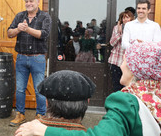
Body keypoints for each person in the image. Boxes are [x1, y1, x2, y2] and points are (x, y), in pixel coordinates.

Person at [14, 41, 161, 136]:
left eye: (125, 60)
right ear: (87, 101)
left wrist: (44, 130)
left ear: (136, 68)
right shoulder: (155, 97)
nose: (121, 65)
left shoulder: (128, 102)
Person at [7, 0, 51, 127]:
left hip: (37, 58)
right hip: (21, 57)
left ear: (38, 2)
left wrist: (27, 29)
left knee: (39, 89)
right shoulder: (20, 16)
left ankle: (40, 115)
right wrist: (18, 30)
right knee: (20, 89)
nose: (28, 4)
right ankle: (20, 114)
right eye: (27, 2)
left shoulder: (45, 16)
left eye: (31, 1)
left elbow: (44, 34)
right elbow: (9, 33)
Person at [108, 10, 134, 92]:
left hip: (127, 62)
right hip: (116, 60)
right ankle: (117, 102)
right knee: (116, 85)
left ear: (131, 19)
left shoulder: (134, 29)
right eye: (123, 17)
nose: (125, 19)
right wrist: (119, 33)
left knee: (126, 85)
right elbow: (112, 43)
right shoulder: (116, 28)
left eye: (127, 17)